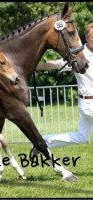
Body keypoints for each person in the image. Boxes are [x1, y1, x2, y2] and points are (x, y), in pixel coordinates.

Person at [32, 22, 93, 152]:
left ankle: (44, 142)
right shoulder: (78, 54)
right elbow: (56, 64)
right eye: (92, 36)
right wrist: (35, 66)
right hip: (89, 103)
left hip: (88, 103)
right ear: (87, 37)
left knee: (81, 137)